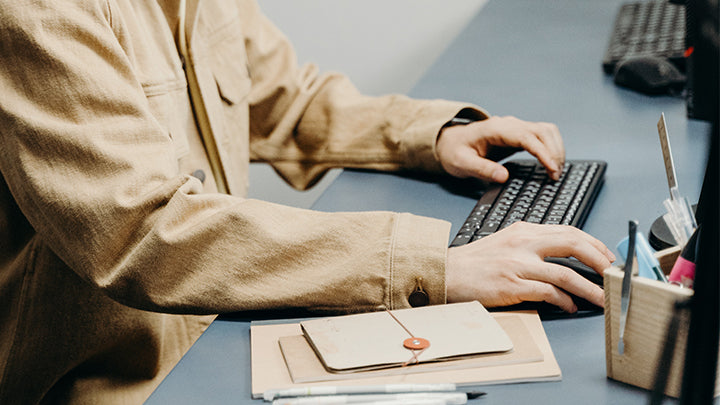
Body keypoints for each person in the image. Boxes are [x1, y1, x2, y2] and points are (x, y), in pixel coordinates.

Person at [0, 0, 615, 403]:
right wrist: (440, 266)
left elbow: (288, 100)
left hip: (220, 320)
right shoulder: (36, 11)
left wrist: (429, 133)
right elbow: (145, 230)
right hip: (122, 381)